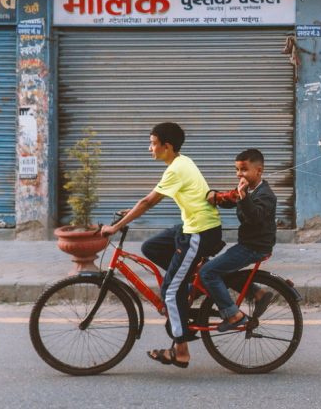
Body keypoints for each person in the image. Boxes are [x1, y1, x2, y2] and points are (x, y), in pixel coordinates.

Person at [100, 122, 222, 369]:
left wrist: (115, 227)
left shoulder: (176, 169)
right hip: (194, 227)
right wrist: (128, 213)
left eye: (153, 143)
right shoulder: (180, 162)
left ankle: (181, 350)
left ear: (167, 146)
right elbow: (149, 200)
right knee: (151, 247)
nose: (150, 148)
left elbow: (147, 202)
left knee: (169, 291)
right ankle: (186, 281)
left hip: (199, 231)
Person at [202, 148, 276, 331]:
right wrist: (216, 196)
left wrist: (243, 196)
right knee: (222, 268)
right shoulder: (246, 190)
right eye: (237, 170)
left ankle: (232, 314)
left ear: (258, 171)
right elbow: (229, 199)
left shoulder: (266, 195)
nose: (238, 174)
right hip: (248, 244)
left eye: (243, 170)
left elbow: (254, 216)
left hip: (254, 247)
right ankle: (258, 293)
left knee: (207, 272)